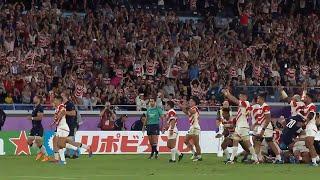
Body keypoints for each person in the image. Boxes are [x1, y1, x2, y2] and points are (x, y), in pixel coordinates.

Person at [222, 89, 259, 164]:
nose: (239, 97)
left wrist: (228, 94)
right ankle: (255, 159)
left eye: (241, 96)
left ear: (245, 97)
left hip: (241, 126)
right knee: (246, 143)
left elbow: (235, 100)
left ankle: (232, 160)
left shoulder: (245, 102)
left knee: (239, 142)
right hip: (243, 126)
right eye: (239, 96)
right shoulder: (244, 104)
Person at [61, 91, 92, 159]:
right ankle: (85, 148)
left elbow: (74, 113)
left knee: (69, 141)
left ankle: (77, 152)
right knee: (69, 141)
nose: (61, 97)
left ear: (65, 96)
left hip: (71, 125)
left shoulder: (70, 104)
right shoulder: (63, 104)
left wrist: (64, 112)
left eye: (62, 96)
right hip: (66, 126)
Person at [254, 93, 283, 164]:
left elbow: (268, 119)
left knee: (270, 142)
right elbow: (261, 119)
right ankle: (257, 159)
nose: (257, 100)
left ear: (262, 99)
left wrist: (263, 130)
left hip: (266, 128)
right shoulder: (260, 107)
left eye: (258, 98)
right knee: (257, 141)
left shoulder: (265, 107)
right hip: (262, 127)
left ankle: (278, 158)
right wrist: (255, 124)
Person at [177, 96, 202, 162]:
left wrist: (185, 105)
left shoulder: (195, 108)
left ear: (194, 102)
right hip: (192, 127)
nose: (190, 102)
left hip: (195, 127)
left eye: (191, 101)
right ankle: (194, 153)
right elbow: (186, 112)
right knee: (185, 141)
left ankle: (199, 157)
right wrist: (180, 105)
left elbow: (192, 111)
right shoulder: (191, 108)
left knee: (196, 143)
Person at [27, 95, 49, 162]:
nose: (33, 98)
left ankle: (46, 156)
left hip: (38, 127)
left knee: (38, 140)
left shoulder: (40, 107)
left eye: (35, 98)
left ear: (38, 99)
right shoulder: (35, 107)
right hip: (34, 127)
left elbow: (40, 118)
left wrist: (32, 118)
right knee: (29, 141)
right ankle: (40, 151)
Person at [302, 92, 319, 166]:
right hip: (308, 127)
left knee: (310, 144)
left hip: (311, 126)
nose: (304, 98)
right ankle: (317, 158)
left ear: (309, 98)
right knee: (307, 144)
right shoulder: (306, 106)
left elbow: (311, 115)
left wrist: (305, 123)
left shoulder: (312, 105)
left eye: (305, 97)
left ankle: (314, 162)